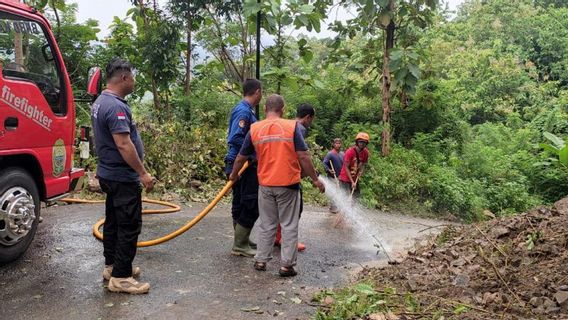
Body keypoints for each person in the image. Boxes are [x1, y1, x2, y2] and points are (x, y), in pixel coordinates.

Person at [229, 94, 325, 277]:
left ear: (265, 109)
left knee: (267, 224)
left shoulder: (255, 128)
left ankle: (260, 260)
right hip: (288, 184)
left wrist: (234, 175)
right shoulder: (292, 127)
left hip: (265, 185)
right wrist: (314, 179)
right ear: (283, 110)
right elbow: (304, 156)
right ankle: (286, 266)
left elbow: (241, 157)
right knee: (288, 224)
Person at [91, 57, 153, 294]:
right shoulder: (116, 106)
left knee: (114, 223)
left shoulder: (100, 101)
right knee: (129, 225)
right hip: (121, 176)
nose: (134, 81)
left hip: (108, 173)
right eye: (133, 77)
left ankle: (112, 267)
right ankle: (121, 278)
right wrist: (143, 173)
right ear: (124, 78)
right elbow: (124, 144)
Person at [225, 78, 262, 257]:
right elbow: (236, 138)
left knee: (241, 201)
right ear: (257, 92)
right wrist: (254, 149)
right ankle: (239, 244)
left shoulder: (248, 111)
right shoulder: (243, 111)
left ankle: (242, 240)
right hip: (241, 163)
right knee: (249, 201)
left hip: (242, 163)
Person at [273, 103, 315, 251]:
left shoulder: (288, 124)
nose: (311, 123)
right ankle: (287, 240)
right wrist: (311, 176)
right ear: (308, 117)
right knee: (295, 209)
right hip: (290, 174)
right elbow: (300, 155)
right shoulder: (300, 129)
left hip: (276, 172)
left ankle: (278, 237)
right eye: (312, 119)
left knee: (279, 209)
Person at [338, 132, 370, 199]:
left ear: (366, 143)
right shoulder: (350, 152)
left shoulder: (366, 153)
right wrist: (352, 182)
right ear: (357, 142)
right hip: (345, 178)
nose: (362, 144)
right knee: (345, 197)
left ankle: (352, 209)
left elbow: (363, 163)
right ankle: (338, 208)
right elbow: (346, 167)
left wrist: (361, 172)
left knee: (356, 197)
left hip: (355, 178)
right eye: (360, 142)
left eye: (364, 142)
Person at [322, 138, 344, 213]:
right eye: (336, 143)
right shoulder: (330, 154)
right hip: (332, 177)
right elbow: (324, 163)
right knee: (334, 192)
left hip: (340, 177)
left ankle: (338, 206)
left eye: (339, 143)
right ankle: (333, 207)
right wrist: (329, 170)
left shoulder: (342, 154)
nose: (338, 145)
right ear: (333, 144)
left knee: (339, 192)